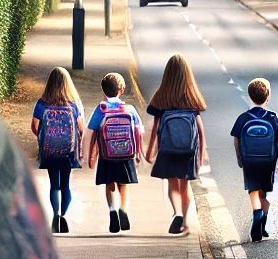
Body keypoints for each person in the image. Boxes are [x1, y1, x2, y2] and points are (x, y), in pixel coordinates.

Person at [144, 53, 207, 236]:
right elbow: (200, 131)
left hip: (167, 148)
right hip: (188, 150)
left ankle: (177, 212)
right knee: (184, 186)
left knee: (171, 183)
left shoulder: (161, 96)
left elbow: (156, 127)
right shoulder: (191, 96)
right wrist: (201, 153)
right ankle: (185, 222)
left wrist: (150, 151)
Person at [85, 72, 145, 234]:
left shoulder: (101, 109)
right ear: (122, 90)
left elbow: (91, 131)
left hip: (106, 154)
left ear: (103, 91)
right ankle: (123, 210)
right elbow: (139, 131)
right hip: (126, 153)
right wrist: (139, 153)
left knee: (109, 183)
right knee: (123, 185)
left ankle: (112, 211)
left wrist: (90, 155)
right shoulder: (129, 109)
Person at [230, 78, 278, 243]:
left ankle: (257, 214)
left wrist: (240, 159)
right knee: (264, 192)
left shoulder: (243, 118)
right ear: (267, 97)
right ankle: (263, 219)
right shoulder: (272, 117)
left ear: (249, 96)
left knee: (254, 190)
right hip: (269, 161)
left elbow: (236, 139)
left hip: (250, 160)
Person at [30, 66, 84, 234]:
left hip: (49, 150)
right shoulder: (73, 105)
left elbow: (34, 125)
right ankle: (63, 217)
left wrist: (43, 137)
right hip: (68, 151)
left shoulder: (42, 103)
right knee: (66, 185)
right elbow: (81, 129)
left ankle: (54, 215)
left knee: (54, 185)